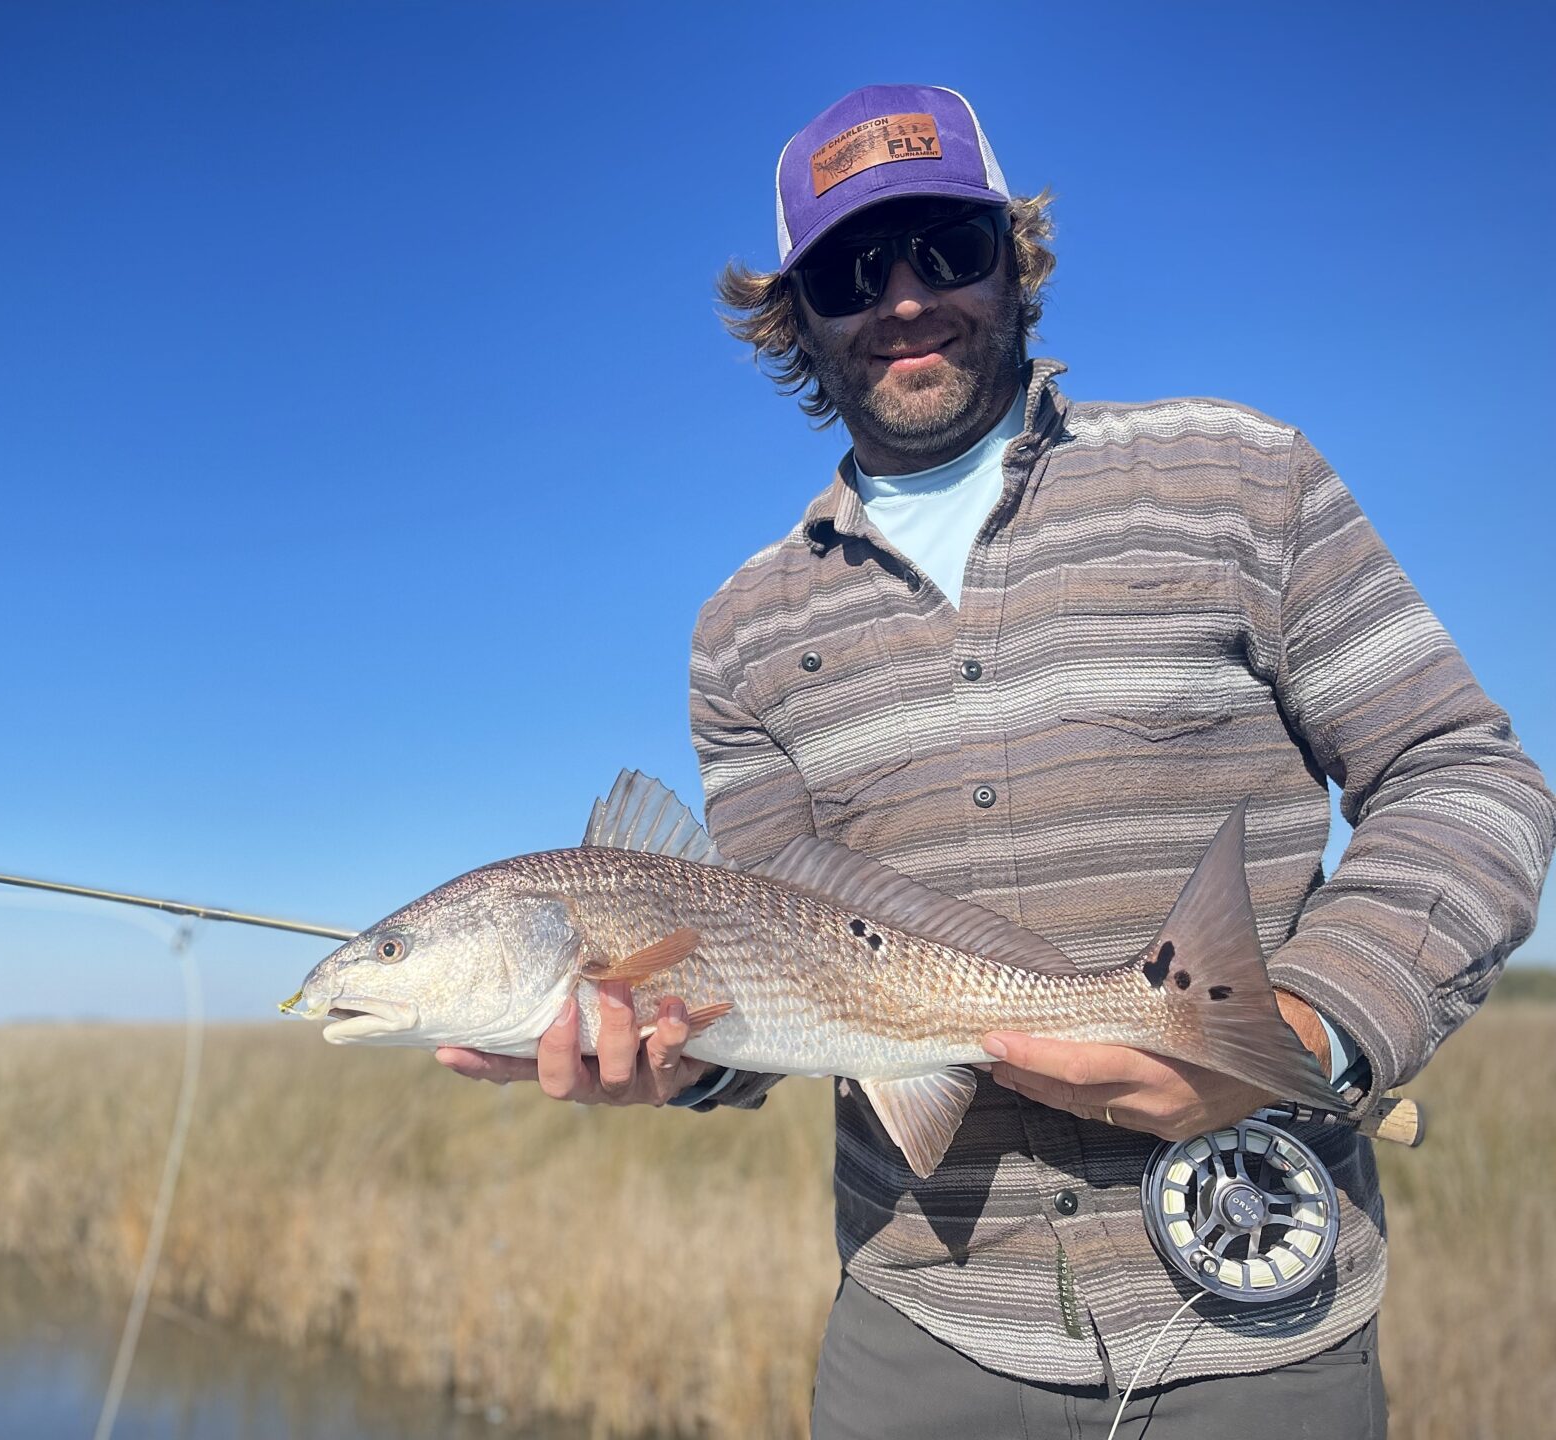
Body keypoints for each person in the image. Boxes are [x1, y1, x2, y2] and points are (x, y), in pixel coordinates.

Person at [437, 84, 1555, 1436]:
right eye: (854, 270)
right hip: (924, 1330)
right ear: (799, 321)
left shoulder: (1239, 477)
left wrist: (1312, 1026)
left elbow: (1462, 775)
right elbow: (765, 965)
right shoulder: (740, 633)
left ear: (1012, 259)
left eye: (944, 248)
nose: (905, 298)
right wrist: (678, 1058)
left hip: (1260, 1300)